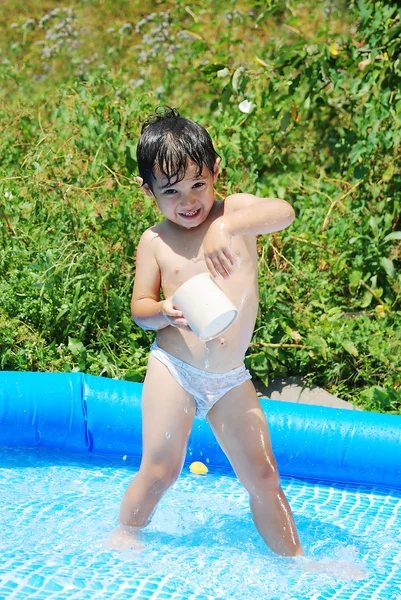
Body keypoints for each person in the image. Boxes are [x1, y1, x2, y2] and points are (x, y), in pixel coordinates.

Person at [112, 107, 303, 556]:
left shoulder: (234, 211)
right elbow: (140, 309)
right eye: (172, 191)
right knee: (161, 470)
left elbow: (285, 211)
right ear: (147, 190)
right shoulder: (154, 242)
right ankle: (123, 534)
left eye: (199, 184)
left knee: (264, 475)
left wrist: (229, 227)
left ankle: (295, 562)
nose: (189, 201)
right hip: (174, 367)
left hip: (229, 376)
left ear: (217, 171)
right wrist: (163, 310)